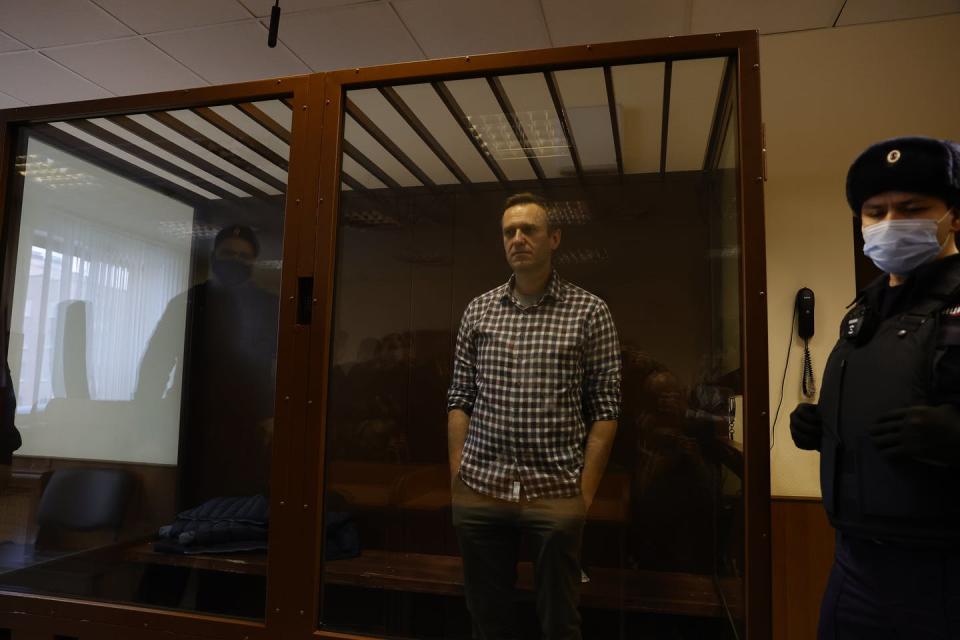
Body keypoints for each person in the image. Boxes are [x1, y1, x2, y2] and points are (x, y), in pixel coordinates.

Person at [790, 137, 960, 638]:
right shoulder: (863, 311)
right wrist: (826, 426)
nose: (890, 223)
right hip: (853, 564)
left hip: (942, 569)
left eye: (911, 209)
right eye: (875, 211)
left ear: (953, 214)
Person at [447, 193, 621, 640]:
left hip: (556, 490)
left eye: (529, 230)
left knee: (560, 619)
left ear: (554, 238)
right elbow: (459, 398)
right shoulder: (478, 311)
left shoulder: (589, 311)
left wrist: (583, 495)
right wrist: (458, 477)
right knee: (487, 617)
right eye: (509, 231)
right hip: (482, 487)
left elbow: (606, 408)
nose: (518, 239)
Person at [136, 224, 279, 508]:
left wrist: (274, 416)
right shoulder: (188, 301)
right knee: (192, 500)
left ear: (253, 262)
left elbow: (285, 367)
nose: (235, 260)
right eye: (228, 253)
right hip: (193, 421)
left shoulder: (271, 307)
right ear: (214, 256)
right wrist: (146, 412)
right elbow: (156, 362)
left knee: (241, 502)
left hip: (248, 424)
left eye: (243, 256)